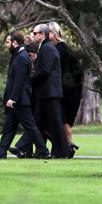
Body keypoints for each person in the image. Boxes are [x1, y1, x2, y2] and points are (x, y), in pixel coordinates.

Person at [0, 32, 44, 159]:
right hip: (16, 100)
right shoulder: (18, 55)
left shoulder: (22, 57)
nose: (8, 45)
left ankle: (44, 151)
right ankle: (1, 152)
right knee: (9, 128)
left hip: (20, 101)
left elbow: (19, 82)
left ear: (15, 43)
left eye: (9, 42)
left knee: (31, 127)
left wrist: (12, 99)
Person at [28, 23, 72, 159]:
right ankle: (39, 150)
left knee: (55, 124)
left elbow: (44, 71)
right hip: (46, 93)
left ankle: (64, 151)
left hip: (49, 93)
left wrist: (29, 79)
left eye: (35, 33)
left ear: (42, 35)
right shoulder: (45, 47)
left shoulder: (47, 48)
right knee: (39, 123)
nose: (33, 35)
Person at [48, 22, 83, 150]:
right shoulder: (64, 49)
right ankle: (66, 145)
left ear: (54, 33)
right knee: (64, 121)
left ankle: (67, 146)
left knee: (65, 122)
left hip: (67, 92)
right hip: (71, 91)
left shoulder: (60, 50)